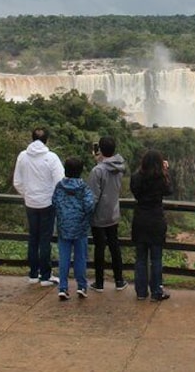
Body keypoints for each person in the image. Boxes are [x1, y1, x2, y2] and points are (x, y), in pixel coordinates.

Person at [13, 127, 65, 286]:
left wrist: (28, 194)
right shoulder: (52, 158)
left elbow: (17, 182)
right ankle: (45, 276)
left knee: (33, 239)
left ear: (32, 138)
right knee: (45, 240)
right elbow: (60, 182)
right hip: (48, 204)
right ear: (46, 140)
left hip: (30, 204)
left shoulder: (23, 156)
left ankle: (33, 274)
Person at [129, 149, 173, 301]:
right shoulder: (161, 178)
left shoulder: (136, 177)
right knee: (156, 259)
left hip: (140, 219)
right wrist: (165, 170)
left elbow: (134, 189)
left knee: (140, 258)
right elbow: (169, 190)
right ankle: (156, 292)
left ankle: (141, 292)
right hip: (156, 221)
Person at [86, 136, 128, 292]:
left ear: (101, 150)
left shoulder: (97, 171)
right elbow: (108, 172)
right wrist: (101, 161)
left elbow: (93, 196)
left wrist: (88, 212)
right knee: (115, 246)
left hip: (99, 215)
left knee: (99, 248)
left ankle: (99, 283)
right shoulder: (119, 167)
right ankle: (119, 280)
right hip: (113, 213)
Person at [52, 157, 95, 301]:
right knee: (80, 258)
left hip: (64, 227)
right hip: (80, 228)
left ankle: (63, 288)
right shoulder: (83, 188)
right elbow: (89, 205)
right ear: (81, 171)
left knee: (64, 257)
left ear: (65, 170)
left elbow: (55, 202)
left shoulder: (59, 186)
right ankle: (81, 286)